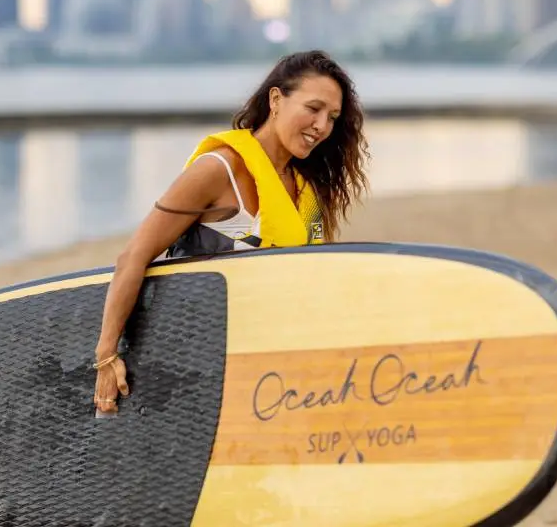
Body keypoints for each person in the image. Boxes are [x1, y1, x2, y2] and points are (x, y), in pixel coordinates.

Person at [91, 50, 371, 414]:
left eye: (332, 117)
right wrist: (107, 354)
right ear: (276, 100)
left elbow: (312, 279)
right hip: (199, 369)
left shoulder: (308, 192)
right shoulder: (219, 170)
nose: (321, 126)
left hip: (271, 374)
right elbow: (134, 256)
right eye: (313, 108)